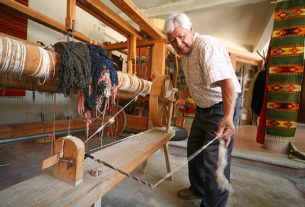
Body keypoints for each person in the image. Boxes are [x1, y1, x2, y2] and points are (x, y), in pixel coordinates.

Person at [164, 13, 242, 207]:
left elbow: (228, 83)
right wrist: (182, 96)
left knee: (215, 162)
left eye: (181, 36)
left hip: (222, 108)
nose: (179, 43)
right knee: (194, 151)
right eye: (173, 41)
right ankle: (198, 189)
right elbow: (193, 80)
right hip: (203, 109)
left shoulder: (206, 46)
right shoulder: (184, 55)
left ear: (191, 29)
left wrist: (228, 117)